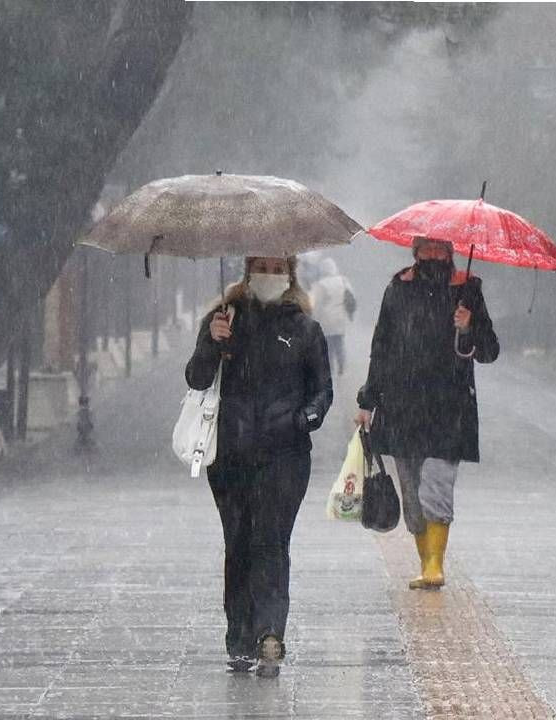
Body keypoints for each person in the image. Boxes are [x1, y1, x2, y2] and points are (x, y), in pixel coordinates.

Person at [185, 255, 332, 677]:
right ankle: (239, 635)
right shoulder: (225, 319)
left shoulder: (304, 328)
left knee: (271, 540)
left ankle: (269, 632)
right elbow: (196, 377)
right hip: (230, 453)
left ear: (290, 273)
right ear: (248, 271)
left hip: (284, 457)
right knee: (239, 543)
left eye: (276, 266)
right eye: (261, 265)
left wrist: (303, 419)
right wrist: (212, 342)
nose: (269, 274)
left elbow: (322, 390)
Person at [354, 236, 499, 590]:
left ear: (451, 253)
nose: (433, 255)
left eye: (441, 249)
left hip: (449, 409)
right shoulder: (397, 288)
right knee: (411, 492)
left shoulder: (468, 290)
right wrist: (367, 401)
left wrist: (468, 328)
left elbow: (489, 350)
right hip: (401, 407)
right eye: (426, 249)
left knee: (436, 485)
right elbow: (381, 347)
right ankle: (424, 561)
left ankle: (435, 565)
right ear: (415, 251)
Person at [308, 258, 356, 375]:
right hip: (340, 318)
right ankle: (341, 367)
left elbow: (317, 303)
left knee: (329, 345)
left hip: (326, 320)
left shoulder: (320, 285)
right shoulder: (343, 281)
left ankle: (331, 369)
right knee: (339, 343)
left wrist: (314, 318)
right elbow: (350, 298)